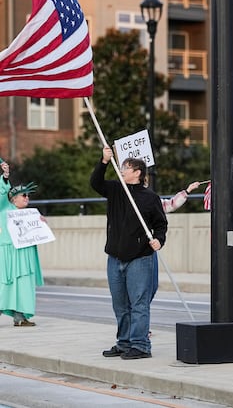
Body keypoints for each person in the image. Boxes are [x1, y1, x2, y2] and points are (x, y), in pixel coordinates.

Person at [90, 147, 167, 360]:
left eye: (127, 167)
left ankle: (141, 345)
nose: (122, 170)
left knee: (139, 303)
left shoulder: (150, 198)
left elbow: (161, 224)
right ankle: (123, 343)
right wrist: (104, 161)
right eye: (122, 166)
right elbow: (95, 183)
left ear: (138, 173)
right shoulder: (115, 190)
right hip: (115, 257)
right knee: (120, 304)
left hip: (140, 258)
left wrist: (159, 240)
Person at [0, 159, 44, 327]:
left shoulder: (30, 214)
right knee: (6, 284)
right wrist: (5, 176)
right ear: (13, 199)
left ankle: (20, 317)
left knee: (25, 284)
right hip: (9, 252)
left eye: (28, 195)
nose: (27, 198)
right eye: (24, 195)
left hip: (25, 253)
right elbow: (1, 193)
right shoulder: (5, 209)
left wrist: (41, 223)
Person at [150, 181, 201, 301]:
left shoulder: (151, 200)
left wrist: (187, 191)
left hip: (148, 247)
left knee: (151, 286)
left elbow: (170, 204)